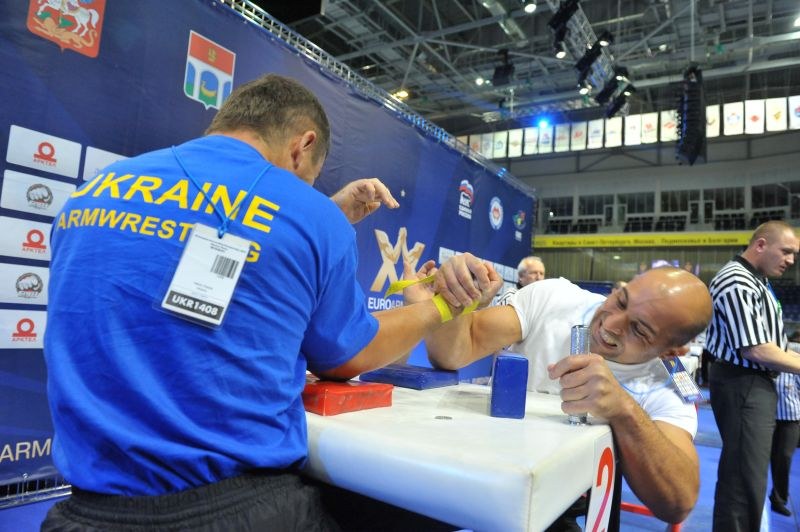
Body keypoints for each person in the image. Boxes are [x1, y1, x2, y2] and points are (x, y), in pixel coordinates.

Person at [41, 74, 496, 531]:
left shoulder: (93, 190)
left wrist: (320, 212)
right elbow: (348, 356)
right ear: (303, 146)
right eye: (308, 178)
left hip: (80, 512)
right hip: (235, 506)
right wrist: (441, 307)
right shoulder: (310, 214)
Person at [409, 257, 712, 524]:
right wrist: (455, 300)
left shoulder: (666, 385)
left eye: (639, 330)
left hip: (560, 505)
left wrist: (623, 410)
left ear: (672, 352)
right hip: (472, 468)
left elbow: (678, 502)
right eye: (621, 300)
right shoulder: (554, 298)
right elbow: (454, 353)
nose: (610, 323)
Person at [705, 220, 800, 532]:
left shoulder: (755, 279)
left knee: (746, 475)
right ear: (760, 245)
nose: (791, 260)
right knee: (743, 480)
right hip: (742, 384)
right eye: (786, 251)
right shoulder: (737, 281)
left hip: (751, 385)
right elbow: (756, 350)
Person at [769, 372, 800, 516]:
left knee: (784, 457)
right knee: (762, 459)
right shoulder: (766, 366)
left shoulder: (794, 368)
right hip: (768, 418)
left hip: (792, 419)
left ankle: (778, 499)